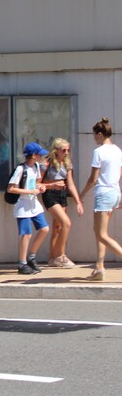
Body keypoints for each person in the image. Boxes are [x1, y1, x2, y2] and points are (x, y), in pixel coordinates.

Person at [79, 117, 122, 281]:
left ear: (100, 134)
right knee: (99, 232)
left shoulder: (99, 152)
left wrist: (82, 194)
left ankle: (99, 268)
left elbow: (93, 179)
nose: (94, 138)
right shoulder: (117, 150)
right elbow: (119, 173)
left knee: (101, 234)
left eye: (94, 135)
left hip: (103, 194)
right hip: (114, 192)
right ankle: (99, 268)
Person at [6, 142, 50, 275]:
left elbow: (35, 183)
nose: (41, 157)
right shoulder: (21, 169)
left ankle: (31, 257)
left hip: (34, 204)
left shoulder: (36, 166)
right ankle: (22, 263)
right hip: (22, 205)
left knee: (44, 229)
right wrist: (29, 192)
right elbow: (11, 188)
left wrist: (40, 187)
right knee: (26, 234)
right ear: (34, 155)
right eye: (39, 155)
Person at [41, 138, 84, 268]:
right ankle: (61, 256)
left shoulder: (67, 163)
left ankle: (52, 258)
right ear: (56, 151)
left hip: (62, 195)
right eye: (63, 150)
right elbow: (37, 183)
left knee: (58, 227)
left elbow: (70, 184)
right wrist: (53, 184)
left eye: (67, 150)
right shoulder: (46, 163)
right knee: (66, 223)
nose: (66, 153)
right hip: (50, 195)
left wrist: (78, 202)